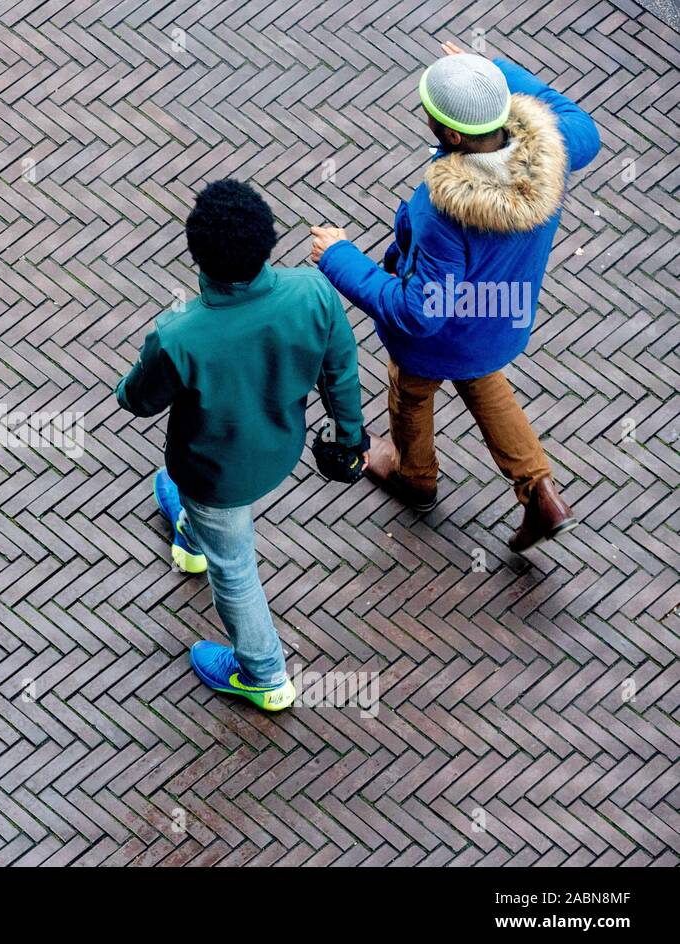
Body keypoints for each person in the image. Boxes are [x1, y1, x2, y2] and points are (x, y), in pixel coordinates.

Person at [310, 41, 600, 552]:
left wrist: (339, 256)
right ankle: (539, 492)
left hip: (439, 337)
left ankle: (414, 478)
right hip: (498, 320)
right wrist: (490, 76)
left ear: (449, 133)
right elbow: (581, 122)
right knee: (483, 380)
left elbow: (419, 312)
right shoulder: (556, 149)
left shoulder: (444, 211)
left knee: (411, 391)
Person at [117, 180, 367, 712]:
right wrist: (349, 440)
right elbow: (341, 373)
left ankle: (263, 673)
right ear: (268, 241)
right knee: (206, 521)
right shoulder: (315, 292)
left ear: (197, 255)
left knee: (233, 569)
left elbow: (137, 401)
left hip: (213, 474)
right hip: (279, 450)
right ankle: (188, 536)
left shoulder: (180, 335)